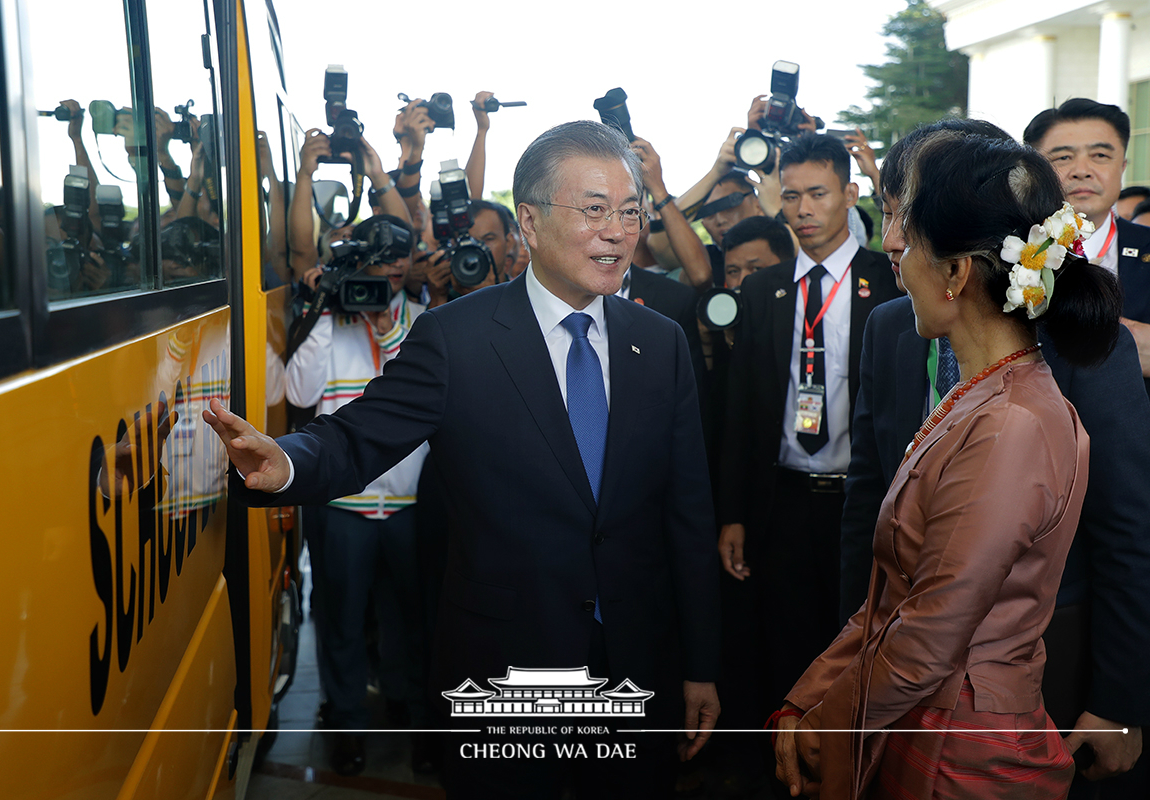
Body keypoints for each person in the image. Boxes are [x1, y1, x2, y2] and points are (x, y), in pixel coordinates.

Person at [203, 120, 721, 800]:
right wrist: (287, 462)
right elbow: (360, 435)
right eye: (595, 209)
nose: (619, 231)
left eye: (631, 211)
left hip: (636, 659)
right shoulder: (457, 337)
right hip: (509, 662)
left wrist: (701, 665)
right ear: (529, 224)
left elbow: (688, 510)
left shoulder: (659, 342)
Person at [774, 131, 1123, 799]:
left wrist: (826, 721)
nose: (894, 255)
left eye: (909, 235)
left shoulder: (1009, 424)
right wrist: (810, 695)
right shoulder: (982, 395)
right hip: (921, 720)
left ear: (957, 273)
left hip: (959, 753)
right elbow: (894, 597)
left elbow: (932, 631)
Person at [717, 132, 900, 716]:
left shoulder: (891, 280)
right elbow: (740, 409)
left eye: (817, 193)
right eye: (791, 196)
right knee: (785, 653)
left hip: (864, 502)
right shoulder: (765, 289)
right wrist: (734, 513)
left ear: (849, 193)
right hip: (784, 500)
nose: (802, 210)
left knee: (862, 647)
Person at [287, 214, 429, 776]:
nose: (390, 280)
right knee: (341, 620)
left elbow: (417, 384)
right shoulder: (329, 319)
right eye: (379, 270)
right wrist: (325, 307)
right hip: (342, 505)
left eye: (401, 270)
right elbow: (297, 389)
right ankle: (345, 720)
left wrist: (382, 321)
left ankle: (410, 711)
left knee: (409, 621)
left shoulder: (423, 320)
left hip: (409, 504)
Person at [1023, 98, 1150, 393]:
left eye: (1100, 155)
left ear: (1122, 166)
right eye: (1063, 158)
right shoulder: (1011, 251)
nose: (1082, 171)